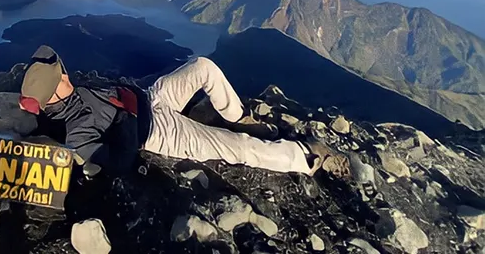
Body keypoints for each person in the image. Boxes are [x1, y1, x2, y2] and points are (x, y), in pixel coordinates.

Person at [18, 45, 348, 177]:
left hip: (150, 98)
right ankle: (305, 158)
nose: (65, 74)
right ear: (51, 98)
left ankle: (240, 118)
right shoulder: (77, 131)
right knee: (237, 149)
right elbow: (117, 162)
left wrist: (131, 99)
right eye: (59, 77)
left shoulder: (72, 94)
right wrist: (127, 120)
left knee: (203, 65)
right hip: (158, 132)